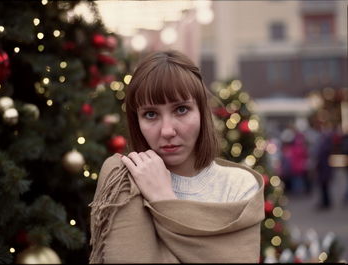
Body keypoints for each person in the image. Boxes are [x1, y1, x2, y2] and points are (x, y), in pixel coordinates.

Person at [89, 50, 265, 263]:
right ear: (137, 121)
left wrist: (163, 198)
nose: (167, 131)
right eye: (151, 114)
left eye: (181, 109)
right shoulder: (124, 180)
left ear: (201, 112)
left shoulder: (238, 185)